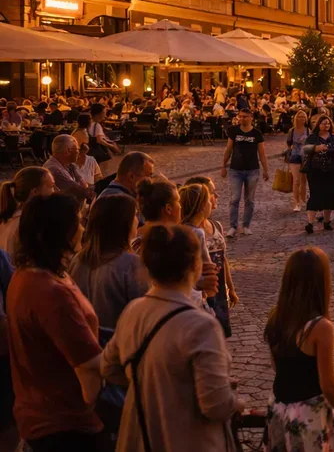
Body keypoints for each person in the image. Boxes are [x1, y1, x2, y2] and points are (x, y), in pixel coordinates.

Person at [100, 224, 240, 451]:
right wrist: (237, 403)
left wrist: (152, 385)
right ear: (196, 265)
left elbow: (109, 367)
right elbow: (215, 404)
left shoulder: (132, 312)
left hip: (140, 436)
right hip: (186, 439)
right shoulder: (202, 325)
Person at [7, 193, 106, 451]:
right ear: (60, 232)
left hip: (46, 413)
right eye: (78, 223)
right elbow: (88, 366)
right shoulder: (50, 292)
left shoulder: (34, 274)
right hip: (65, 423)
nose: (83, 228)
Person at [264, 247, 334, 449]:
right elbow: (328, 384)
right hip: (308, 415)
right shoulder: (321, 327)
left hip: (278, 408)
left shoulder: (276, 316)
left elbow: (276, 366)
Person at [69, 193, 147, 331]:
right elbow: (145, 315)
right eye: (134, 215)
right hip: (120, 344)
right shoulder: (131, 264)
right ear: (124, 222)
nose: (138, 221)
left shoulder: (78, 260)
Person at [180, 183, 237, 338]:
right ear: (202, 206)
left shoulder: (185, 229)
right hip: (202, 294)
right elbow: (207, 268)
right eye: (209, 199)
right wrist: (209, 296)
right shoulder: (196, 233)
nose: (213, 201)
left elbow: (222, 258)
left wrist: (230, 288)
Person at [221, 108, 269, 237]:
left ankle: (246, 225)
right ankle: (232, 226)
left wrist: (265, 169)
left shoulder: (257, 133)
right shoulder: (234, 131)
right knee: (234, 199)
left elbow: (262, 153)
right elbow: (228, 149)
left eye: (245, 117)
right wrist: (223, 166)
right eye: (240, 116)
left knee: (249, 200)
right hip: (235, 170)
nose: (242, 119)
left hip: (252, 170)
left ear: (251, 117)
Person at [302, 115, 334, 235]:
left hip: (331, 170)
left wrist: (329, 150)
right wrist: (316, 148)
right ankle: (310, 223)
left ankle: (326, 221)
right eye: (323, 123)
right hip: (315, 170)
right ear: (318, 124)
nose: (326, 125)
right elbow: (305, 148)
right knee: (315, 194)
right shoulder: (312, 137)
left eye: (328, 123)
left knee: (330, 195)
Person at [0, 166, 56, 253]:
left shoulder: (13, 219)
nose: (55, 191)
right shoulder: (26, 225)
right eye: (52, 186)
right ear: (35, 192)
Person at [43, 134, 91, 203]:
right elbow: (83, 192)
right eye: (77, 149)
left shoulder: (69, 166)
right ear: (68, 151)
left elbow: (84, 184)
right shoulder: (55, 170)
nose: (78, 152)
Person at [285, 110, 310, 212]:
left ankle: (303, 200)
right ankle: (297, 202)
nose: (301, 119)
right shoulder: (292, 131)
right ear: (296, 119)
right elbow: (288, 143)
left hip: (306, 156)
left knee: (304, 180)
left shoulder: (308, 130)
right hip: (295, 156)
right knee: (296, 181)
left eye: (303, 117)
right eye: (299, 117)